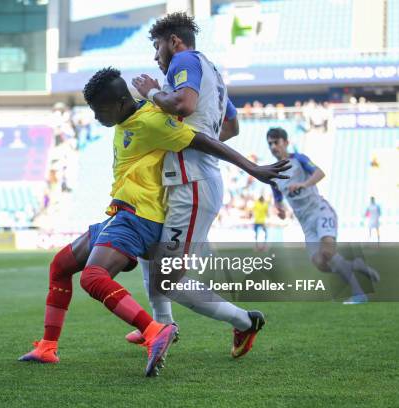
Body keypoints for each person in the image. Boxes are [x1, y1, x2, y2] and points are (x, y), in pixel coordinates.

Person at [18, 68, 289, 376]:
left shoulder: (152, 121)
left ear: (121, 103)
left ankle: (154, 330)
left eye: (100, 111)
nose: (95, 118)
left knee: (94, 278)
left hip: (140, 216)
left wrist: (252, 168)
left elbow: (203, 141)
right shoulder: (130, 118)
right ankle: (48, 347)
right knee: (61, 265)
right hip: (122, 213)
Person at [129, 12, 261, 357]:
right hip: (193, 180)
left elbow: (184, 105)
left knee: (168, 278)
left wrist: (152, 92)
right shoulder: (212, 72)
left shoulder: (184, 60)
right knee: (149, 251)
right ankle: (162, 325)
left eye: (158, 47)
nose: (156, 57)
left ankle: (246, 321)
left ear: (174, 42)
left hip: (193, 183)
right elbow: (231, 127)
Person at [266, 127, 379, 304]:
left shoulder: (298, 159)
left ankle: (359, 294)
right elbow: (278, 201)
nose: (273, 146)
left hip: (320, 211)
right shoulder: (273, 174)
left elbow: (320, 173)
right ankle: (355, 265)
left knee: (327, 251)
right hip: (305, 223)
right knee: (322, 263)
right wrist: (279, 210)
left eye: (276, 142)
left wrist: (303, 184)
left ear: (286, 143)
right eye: (270, 143)